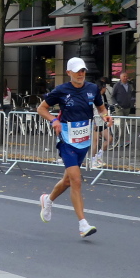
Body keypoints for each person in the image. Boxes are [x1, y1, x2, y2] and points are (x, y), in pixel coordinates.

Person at [37, 57, 112, 238]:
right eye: (77, 71)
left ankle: (48, 200)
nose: (81, 74)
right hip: (67, 141)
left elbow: (101, 108)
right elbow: (41, 108)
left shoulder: (92, 89)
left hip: (83, 141)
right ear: (69, 72)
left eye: (83, 71)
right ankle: (83, 224)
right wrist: (54, 120)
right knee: (76, 180)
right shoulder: (61, 90)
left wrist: (106, 116)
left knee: (67, 181)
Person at [91, 80, 113, 168]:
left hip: (101, 121)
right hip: (95, 121)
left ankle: (98, 156)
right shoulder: (94, 97)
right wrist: (94, 122)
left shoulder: (101, 97)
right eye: (105, 88)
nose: (105, 89)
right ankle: (93, 160)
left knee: (109, 139)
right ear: (102, 88)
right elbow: (92, 110)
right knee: (95, 142)